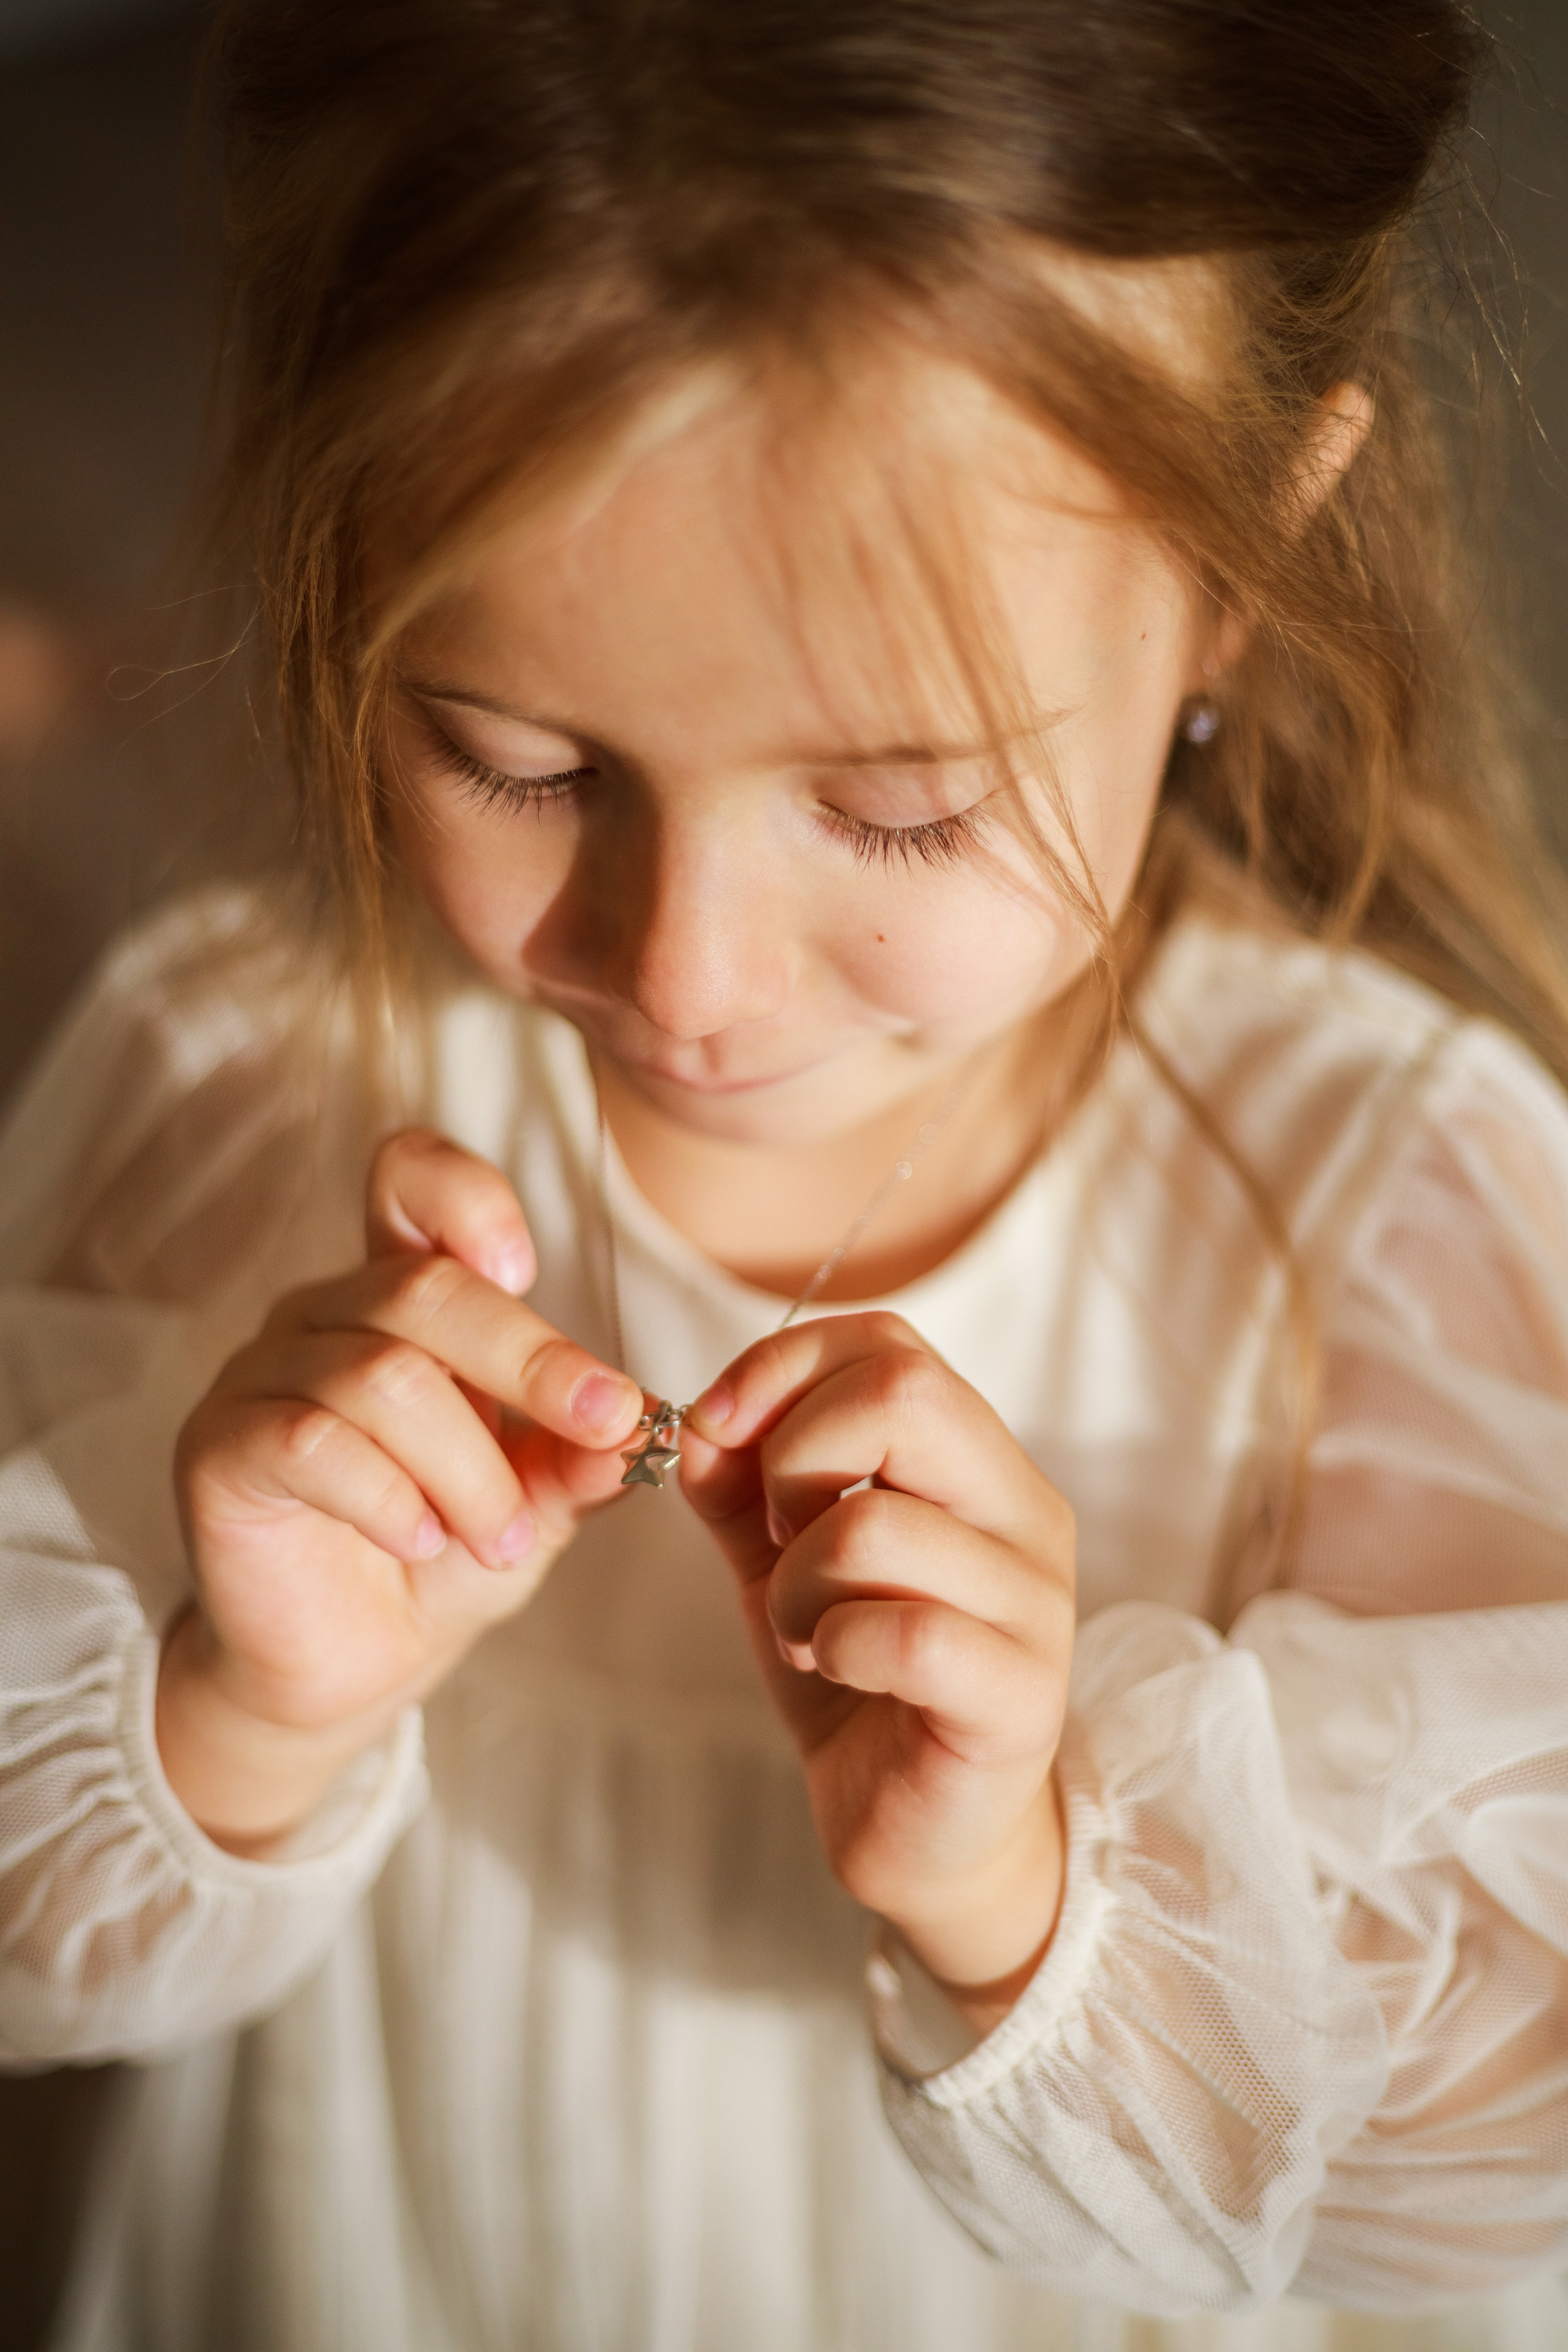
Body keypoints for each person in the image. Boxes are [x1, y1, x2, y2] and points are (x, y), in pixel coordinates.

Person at [3, 1, 1567, 2344]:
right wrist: (243, 1705)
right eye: (514, 757)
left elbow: (1486, 2172)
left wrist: (1027, 1892)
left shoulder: (1391, 1219)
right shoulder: (248, 1072)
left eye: (905, 805)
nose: (689, 974)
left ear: (1247, 564)